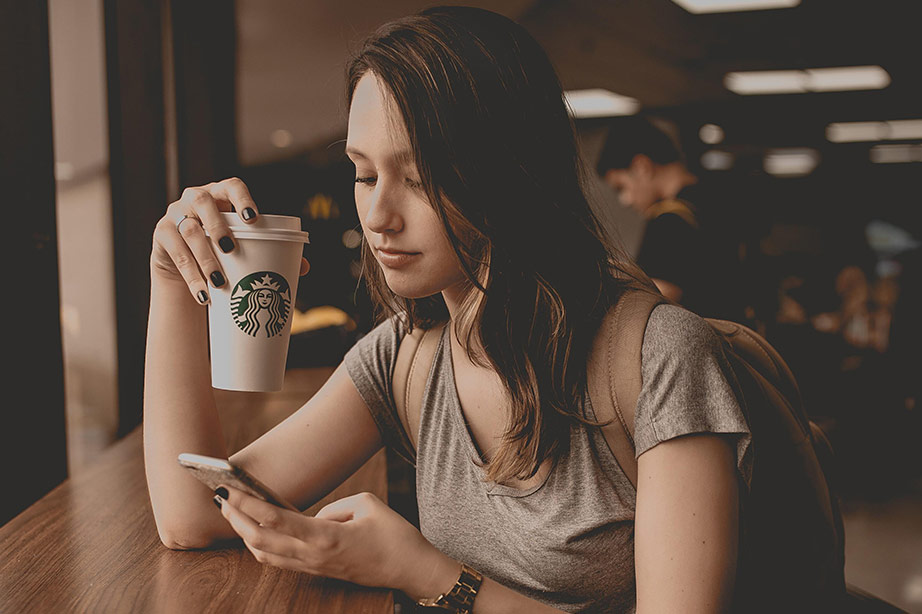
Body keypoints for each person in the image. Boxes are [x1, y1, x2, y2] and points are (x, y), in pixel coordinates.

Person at [145, 7, 751, 613]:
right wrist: (172, 280)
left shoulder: (659, 356)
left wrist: (421, 571)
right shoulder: (406, 355)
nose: (378, 216)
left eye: (419, 176)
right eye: (362, 174)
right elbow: (193, 515)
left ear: (512, 174)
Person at [595, 118, 744, 322]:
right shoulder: (722, 200)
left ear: (642, 166)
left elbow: (649, 308)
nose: (625, 200)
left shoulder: (668, 222)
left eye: (621, 187)